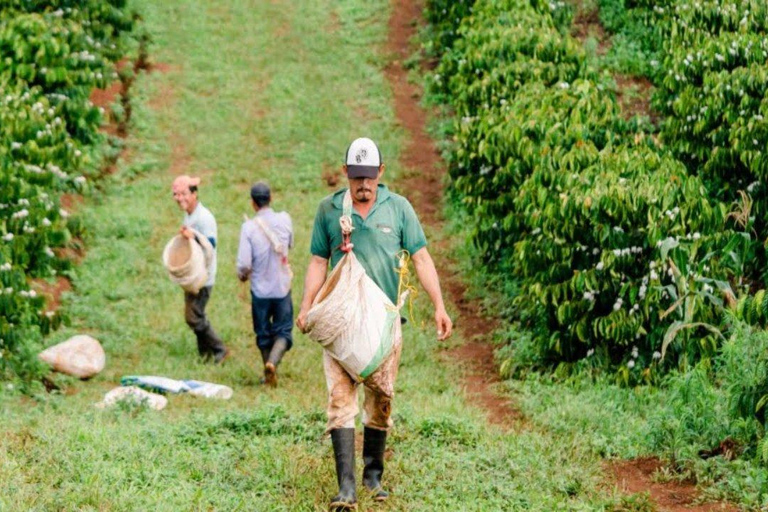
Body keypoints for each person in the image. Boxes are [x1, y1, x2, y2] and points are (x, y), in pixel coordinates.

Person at [296, 137, 453, 510]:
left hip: (384, 324)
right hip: (341, 323)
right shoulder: (330, 210)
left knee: (381, 398)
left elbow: (422, 259)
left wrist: (439, 306)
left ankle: (373, 476)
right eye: (356, 178)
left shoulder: (398, 209)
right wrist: (305, 306)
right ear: (346, 173)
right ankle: (346, 488)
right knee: (340, 399)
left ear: (380, 173)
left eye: (369, 177)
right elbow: (319, 261)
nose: (363, 185)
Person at [237, 182, 294, 387]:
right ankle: (272, 363)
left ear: (253, 203)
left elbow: (244, 264)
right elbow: (289, 245)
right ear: (271, 199)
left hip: (260, 291)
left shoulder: (248, 228)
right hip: (282, 288)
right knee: (284, 332)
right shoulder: (285, 219)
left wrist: (242, 275)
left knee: (263, 334)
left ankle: (268, 368)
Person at [171, 175, 229, 363]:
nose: (180, 198)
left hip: (202, 276)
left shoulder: (204, 218)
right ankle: (205, 353)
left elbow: (210, 244)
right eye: (176, 194)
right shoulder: (189, 215)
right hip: (192, 274)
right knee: (195, 313)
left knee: (193, 316)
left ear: (194, 194)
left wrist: (193, 237)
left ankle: (219, 348)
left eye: (184, 194)